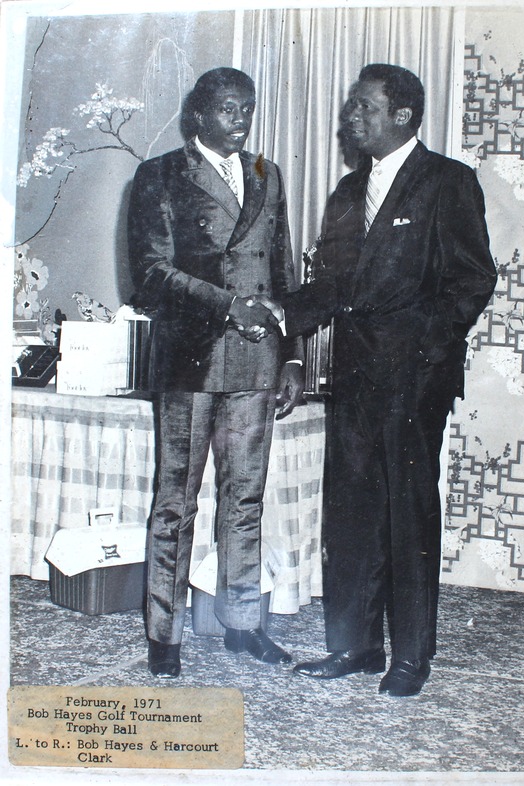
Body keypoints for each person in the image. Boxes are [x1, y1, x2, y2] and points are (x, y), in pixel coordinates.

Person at [259, 64, 497, 696]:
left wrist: (426, 352)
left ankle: (411, 657)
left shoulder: (448, 182)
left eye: (364, 107)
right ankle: (356, 647)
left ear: (403, 117)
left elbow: (473, 280)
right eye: (351, 107)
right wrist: (288, 322)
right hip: (354, 377)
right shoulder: (346, 193)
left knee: (407, 516)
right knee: (351, 512)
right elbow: (332, 287)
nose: (350, 118)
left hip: (414, 380)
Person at [127, 67, 304, 678]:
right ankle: (164, 633)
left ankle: (243, 624)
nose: (241, 121)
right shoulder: (159, 176)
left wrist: (295, 353)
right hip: (190, 359)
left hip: (257, 361)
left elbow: (283, 271)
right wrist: (229, 305)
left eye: (248, 109)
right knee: (175, 501)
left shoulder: (265, 173)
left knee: (245, 498)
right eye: (229, 109)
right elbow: (150, 274)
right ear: (197, 115)